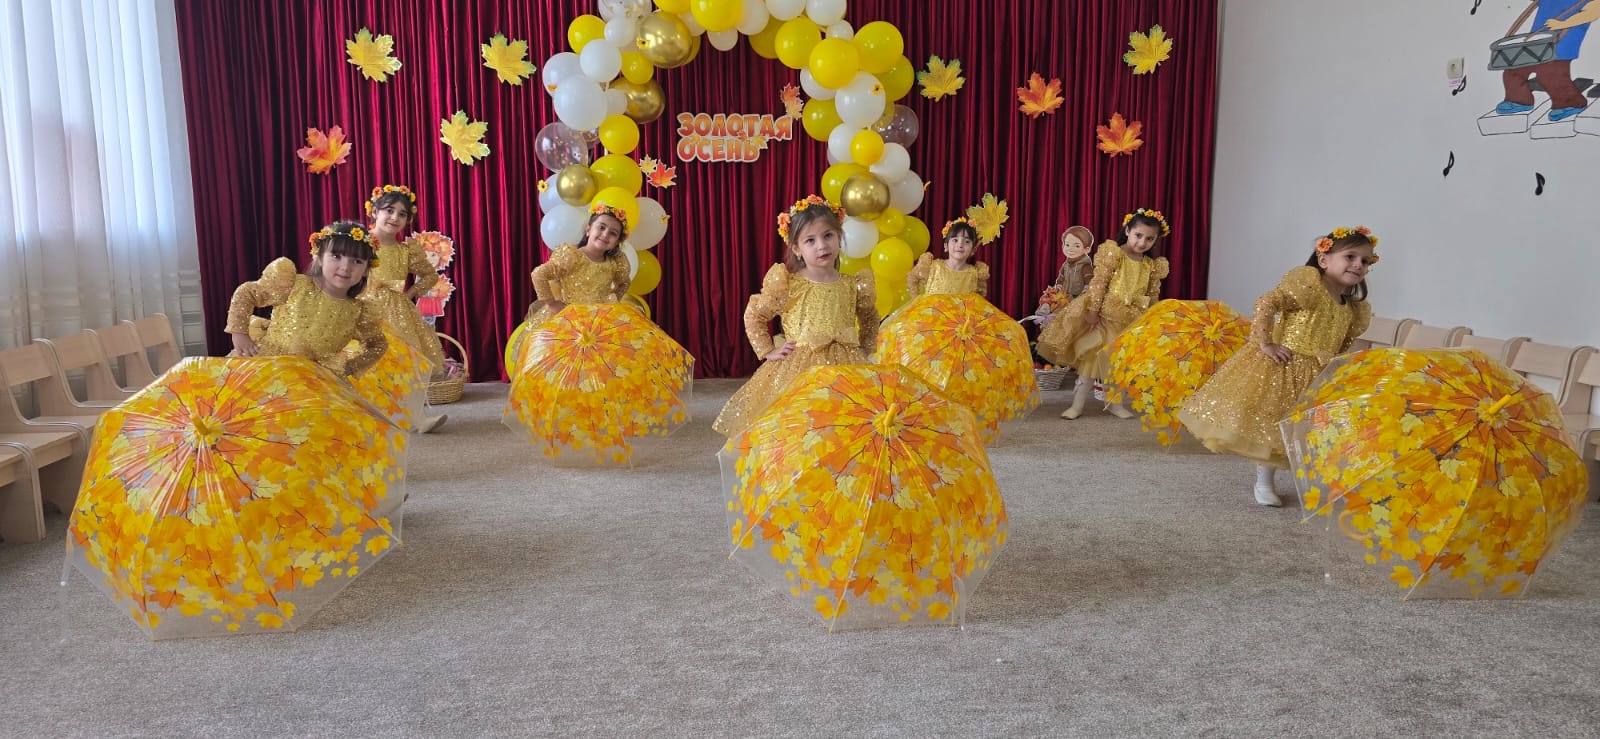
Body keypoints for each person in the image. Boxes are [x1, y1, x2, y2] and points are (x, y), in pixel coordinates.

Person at [1176, 225, 1377, 506]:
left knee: (1315, 430)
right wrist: (1265, 342)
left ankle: (1321, 480)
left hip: (1319, 374)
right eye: (1351, 257)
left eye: (1365, 261)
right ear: (1323, 259)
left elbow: (1342, 342)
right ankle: (1264, 482)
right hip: (1286, 365)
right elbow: (1266, 302)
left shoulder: (1352, 308)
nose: (1358, 265)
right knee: (1272, 426)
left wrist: (1335, 368)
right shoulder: (1308, 287)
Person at [712, 195, 877, 438]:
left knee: (844, 420)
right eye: (810, 240)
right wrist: (767, 350)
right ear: (796, 249)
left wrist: (865, 347)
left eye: (828, 236)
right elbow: (755, 314)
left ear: (839, 237)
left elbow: (870, 317)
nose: (822, 245)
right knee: (802, 423)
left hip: (846, 363)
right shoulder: (789, 284)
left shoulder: (853, 285)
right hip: (800, 366)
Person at [1036, 208, 1170, 420]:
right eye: (1138, 235)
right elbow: (1098, 284)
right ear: (1127, 230)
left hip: (1130, 321)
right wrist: (1092, 311)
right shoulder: (1115, 254)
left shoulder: (1151, 266)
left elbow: (1152, 295)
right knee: (1091, 362)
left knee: (1117, 364)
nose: (1142, 242)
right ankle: (1077, 406)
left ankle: (1114, 404)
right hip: (1105, 317)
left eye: (1149, 239)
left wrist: (1150, 318)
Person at [226, 221, 387, 378]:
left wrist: (351, 367)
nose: (345, 267)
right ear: (319, 257)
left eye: (357, 261)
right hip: (269, 366)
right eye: (336, 256)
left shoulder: (359, 311)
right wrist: (239, 333)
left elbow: (378, 344)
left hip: (314, 380)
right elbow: (246, 293)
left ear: (366, 270)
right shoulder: (294, 284)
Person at [363, 184, 448, 433]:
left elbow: (430, 275)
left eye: (402, 214)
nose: (395, 218)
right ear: (374, 212)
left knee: (408, 362)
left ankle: (418, 418)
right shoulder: (361, 243)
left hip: (398, 312)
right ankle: (371, 415)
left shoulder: (406, 250)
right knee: (368, 361)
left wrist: (411, 293)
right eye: (389, 211)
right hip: (366, 308)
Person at [508, 204, 633, 370]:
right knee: (565, 365)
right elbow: (539, 274)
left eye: (613, 233)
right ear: (588, 229)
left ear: (617, 242)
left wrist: (614, 299)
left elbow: (624, 282)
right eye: (601, 227)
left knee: (595, 365)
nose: (605, 234)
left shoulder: (615, 264)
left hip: (598, 323)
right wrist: (552, 303)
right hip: (567, 320)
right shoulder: (572, 256)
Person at [905, 217, 989, 297]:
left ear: (973, 250)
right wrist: (918, 300)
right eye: (955, 240)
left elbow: (979, 299)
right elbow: (912, 278)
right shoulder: (932, 267)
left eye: (967, 242)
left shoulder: (976, 274)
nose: (960, 245)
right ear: (946, 246)